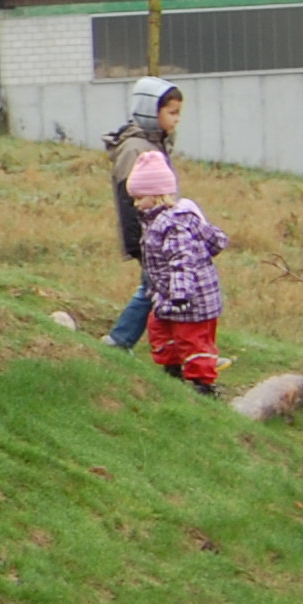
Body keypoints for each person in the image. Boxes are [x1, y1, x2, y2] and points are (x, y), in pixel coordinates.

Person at [128, 149, 226, 394]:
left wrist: (180, 293)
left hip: (189, 298)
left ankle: (202, 384)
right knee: (159, 329)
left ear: (157, 194)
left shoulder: (172, 223)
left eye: (140, 197)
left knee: (192, 339)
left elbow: (181, 260)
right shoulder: (157, 220)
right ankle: (172, 369)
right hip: (167, 294)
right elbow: (213, 240)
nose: (136, 204)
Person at [101, 78, 182, 348]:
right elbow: (129, 201)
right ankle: (119, 340)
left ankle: (179, 348)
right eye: (172, 112)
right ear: (151, 111)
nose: (177, 119)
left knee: (163, 287)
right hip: (150, 236)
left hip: (163, 232)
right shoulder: (135, 148)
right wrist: (138, 243)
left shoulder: (154, 142)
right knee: (154, 288)